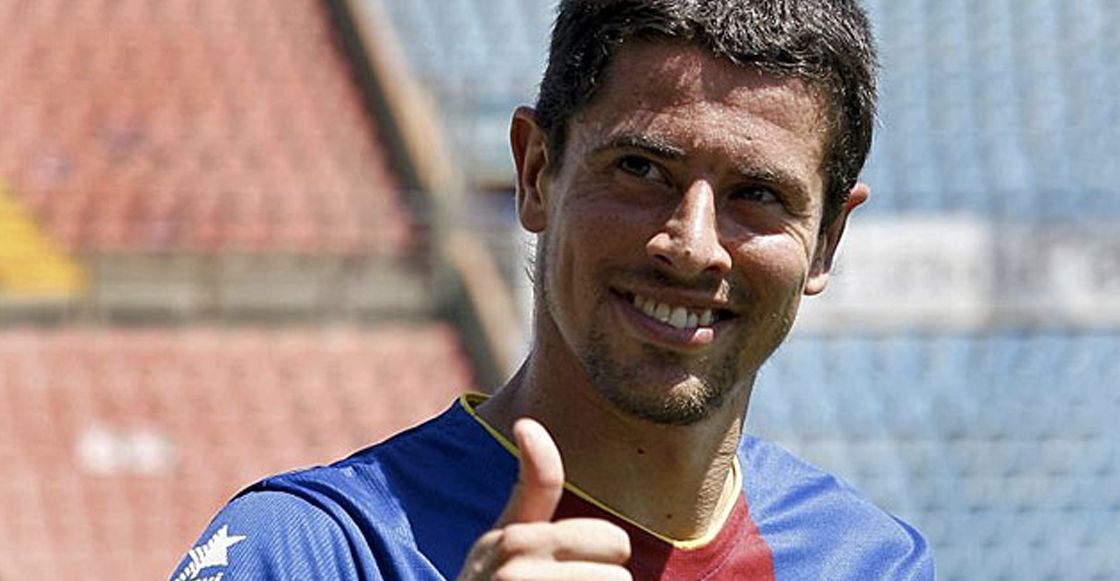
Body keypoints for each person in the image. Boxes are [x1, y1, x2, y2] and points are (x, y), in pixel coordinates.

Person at [169, 0, 934, 579]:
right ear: (536, 173)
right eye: (641, 169)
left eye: (758, 195)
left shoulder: (867, 560)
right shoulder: (307, 550)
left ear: (826, 240)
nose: (692, 246)